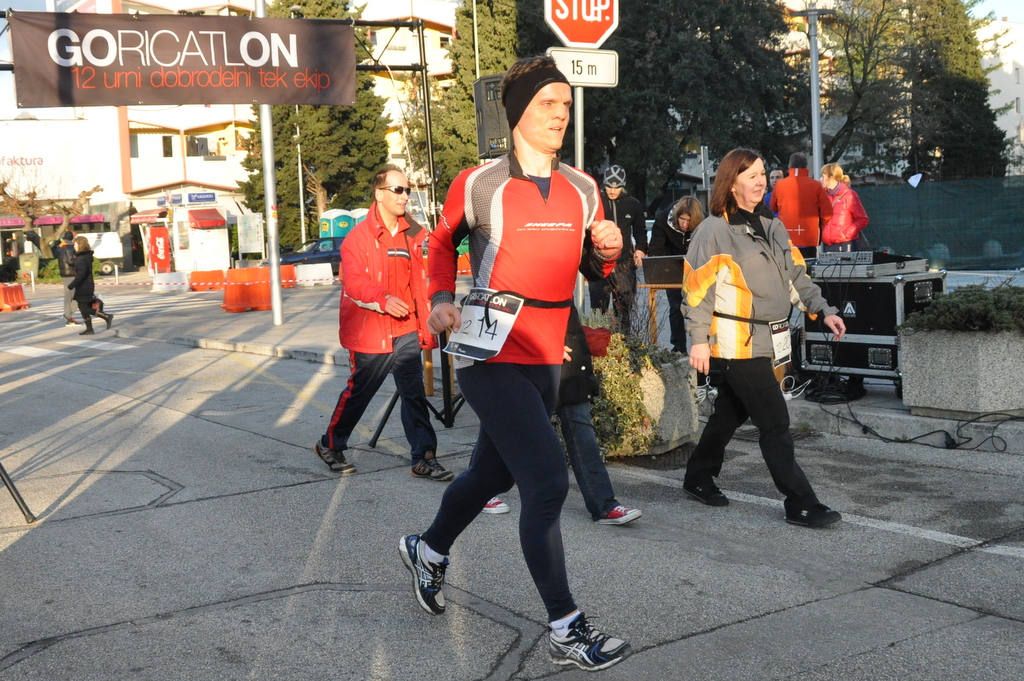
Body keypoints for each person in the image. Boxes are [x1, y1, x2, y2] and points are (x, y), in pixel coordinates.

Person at [399, 55, 632, 672]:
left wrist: (607, 252)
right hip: (489, 350)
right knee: (547, 480)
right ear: (517, 111)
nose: (560, 114)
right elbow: (440, 244)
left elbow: (591, 269)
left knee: (491, 476)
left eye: (565, 104)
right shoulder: (480, 183)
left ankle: (428, 549)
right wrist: (440, 300)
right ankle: (566, 628)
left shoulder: (584, 189)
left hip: (547, 350)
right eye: (547, 104)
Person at [682, 148, 846, 528]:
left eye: (762, 174)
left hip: (770, 337)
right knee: (774, 420)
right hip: (733, 340)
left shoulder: (773, 225)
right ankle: (801, 502)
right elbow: (696, 291)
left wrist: (824, 310)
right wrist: (698, 339)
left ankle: (697, 476)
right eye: (752, 175)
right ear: (732, 183)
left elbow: (797, 276)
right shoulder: (714, 230)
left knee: (731, 411)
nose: (761, 182)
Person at [313, 165, 450, 482]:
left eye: (407, 190)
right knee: (360, 392)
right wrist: (383, 299)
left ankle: (424, 457)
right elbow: (354, 284)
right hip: (371, 331)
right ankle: (330, 445)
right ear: (379, 194)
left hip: (406, 328)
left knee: (413, 394)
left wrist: (430, 316)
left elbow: (424, 279)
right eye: (398, 189)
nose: (405, 196)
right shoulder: (357, 238)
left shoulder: (415, 234)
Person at [484, 306, 643, 525]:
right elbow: (516, 304)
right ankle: (481, 489)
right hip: (529, 351)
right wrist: (544, 341)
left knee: (580, 427)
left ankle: (604, 504)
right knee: (510, 423)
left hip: (566, 346)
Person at [588, 165, 647, 334]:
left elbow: (640, 232)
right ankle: (598, 343)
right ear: (604, 184)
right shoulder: (595, 202)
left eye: (617, 187)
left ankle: (624, 340)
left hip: (624, 264)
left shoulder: (633, 204)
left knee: (624, 308)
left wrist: (640, 249)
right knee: (598, 309)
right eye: (609, 186)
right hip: (599, 263)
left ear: (623, 186)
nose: (613, 191)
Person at [649, 196, 705, 353]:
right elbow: (656, 249)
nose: (685, 225)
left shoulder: (704, 222)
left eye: (689, 221)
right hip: (673, 265)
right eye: (682, 220)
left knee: (701, 307)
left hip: (697, 266)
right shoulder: (663, 219)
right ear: (676, 216)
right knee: (676, 307)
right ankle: (679, 347)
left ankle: (703, 344)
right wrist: (661, 269)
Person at [769, 152, 833, 260]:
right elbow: (827, 213)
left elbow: (773, 207)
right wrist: (817, 224)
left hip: (786, 237)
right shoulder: (816, 185)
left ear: (789, 166)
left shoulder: (780, 185)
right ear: (806, 167)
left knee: (788, 268)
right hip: (809, 237)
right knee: (807, 268)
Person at [67, 235, 113, 336]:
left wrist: (72, 285)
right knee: (82, 306)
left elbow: (81, 273)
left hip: (84, 286)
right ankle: (89, 329)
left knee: (84, 308)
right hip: (87, 284)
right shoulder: (86, 256)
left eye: (75, 244)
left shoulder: (81, 258)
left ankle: (106, 316)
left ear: (80, 244)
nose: (74, 246)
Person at [820, 163, 869, 252]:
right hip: (830, 244)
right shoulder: (824, 195)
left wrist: (847, 233)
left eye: (823, 176)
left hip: (846, 244)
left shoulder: (849, 195)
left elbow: (863, 219)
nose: (821, 179)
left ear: (831, 177)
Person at [56, 231, 81, 326]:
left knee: (69, 296)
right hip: (71, 273)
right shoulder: (69, 248)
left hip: (64, 273)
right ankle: (68, 316)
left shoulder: (60, 248)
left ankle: (68, 314)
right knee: (74, 296)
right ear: (72, 238)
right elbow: (71, 261)